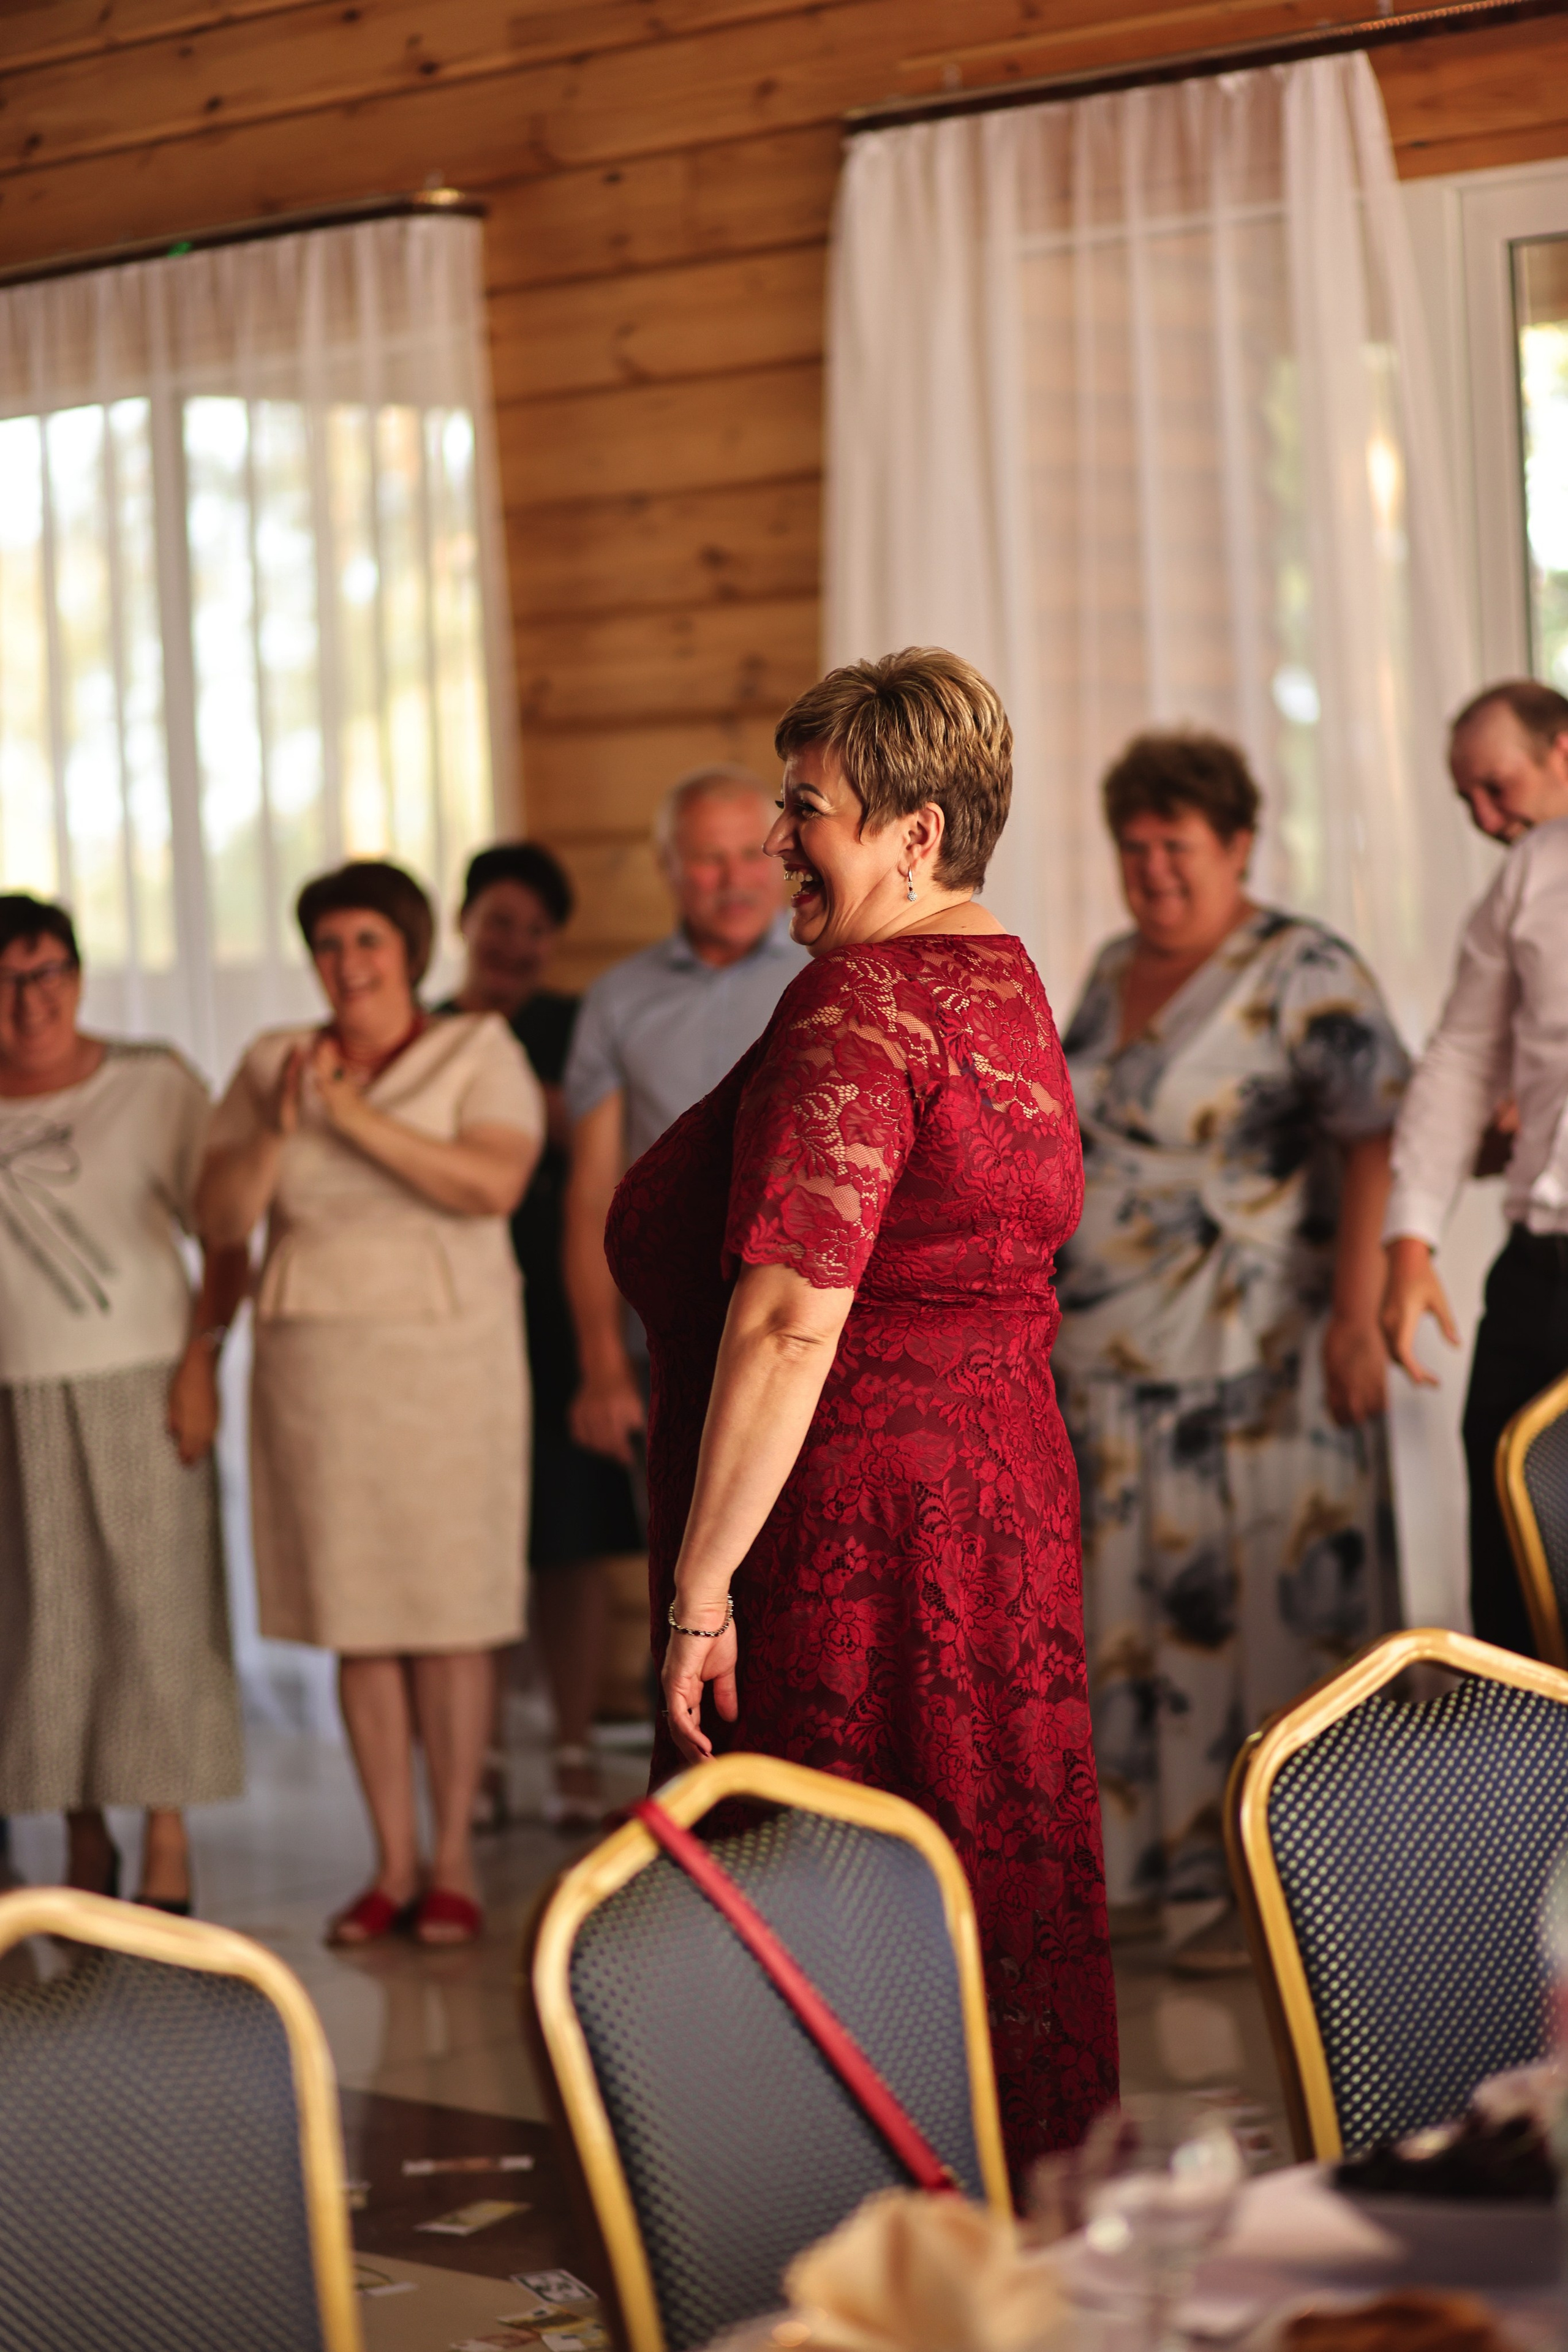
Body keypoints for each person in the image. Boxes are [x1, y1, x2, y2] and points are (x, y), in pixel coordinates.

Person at [606, 651, 1117, 2173]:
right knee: (976, 1857)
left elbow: (786, 1313)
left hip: (853, 1526)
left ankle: (835, 2247)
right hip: (1000, 1500)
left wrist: (701, 1598)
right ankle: (1005, 2233)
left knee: (841, 1881)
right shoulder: (1003, 982)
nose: (776, 843)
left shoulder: (859, 1001)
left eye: (804, 810)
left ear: (915, 831)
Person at [1054, 732, 1409, 1970]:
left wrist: (1357, 1311)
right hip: (1109, 1359)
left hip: (1255, 1357)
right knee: (1135, 1625)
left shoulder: (1304, 967)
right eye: (1133, 846)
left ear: (1240, 844)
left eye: (1178, 846)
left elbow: (1374, 1135)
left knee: (1261, 1613)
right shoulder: (1107, 969)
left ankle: (1273, 1898)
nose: (1152, 870)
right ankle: (1155, 1872)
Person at [196, 861, 543, 1947]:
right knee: (359, 1617)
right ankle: (390, 1861)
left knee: (448, 1612)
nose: (347, 965)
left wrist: (350, 1119)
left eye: (368, 944)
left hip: (450, 1363)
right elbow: (218, 1218)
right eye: (330, 945)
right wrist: (275, 1125)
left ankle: (451, 1865)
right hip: (319, 1368)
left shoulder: (479, 1049)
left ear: (409, 953)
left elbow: (490, 1185)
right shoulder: (270, 1063)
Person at [0, 894, 247, 1913]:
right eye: (8, 984)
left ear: (79, 974)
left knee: (157, 1609)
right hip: (15, 1396)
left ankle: (166, 1836)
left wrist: (201, 1359)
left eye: (49, 973)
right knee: (42, 1625)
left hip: (141, 1380)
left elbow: (226, 1239)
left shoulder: (154, 1085)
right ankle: (81, 1833)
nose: (31, 1003)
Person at [442, 842, 640, 1830]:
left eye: (536, 929)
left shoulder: (574, 1024)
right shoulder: (424, 1029)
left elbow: (596, 1141)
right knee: (471, 1542)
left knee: (571, 1544)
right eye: (500, 923)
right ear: (463, 923)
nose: (516, 944)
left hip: (562, 1317)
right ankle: (474, 1758)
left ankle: (570, 1748)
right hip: (449, 1319)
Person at [1381, 680, 1568, 1657]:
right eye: (1470, 804)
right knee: (1512, 1587)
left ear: (1563, 751)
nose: (1488, 822)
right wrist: (1410, 1247)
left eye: (1497, 788)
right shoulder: (1530, 875)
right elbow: (1458, 1061)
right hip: (1541, 1280)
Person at [563, 765, 807, 1482]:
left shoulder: (830, 974)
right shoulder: (616, 1001)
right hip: (665, 1340)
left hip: (806, 1326)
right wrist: (602, 1365)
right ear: (667, 866)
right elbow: (590, 1195)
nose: (734, 879)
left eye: (749, 854)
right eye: (707, 858)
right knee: (679, 1572)